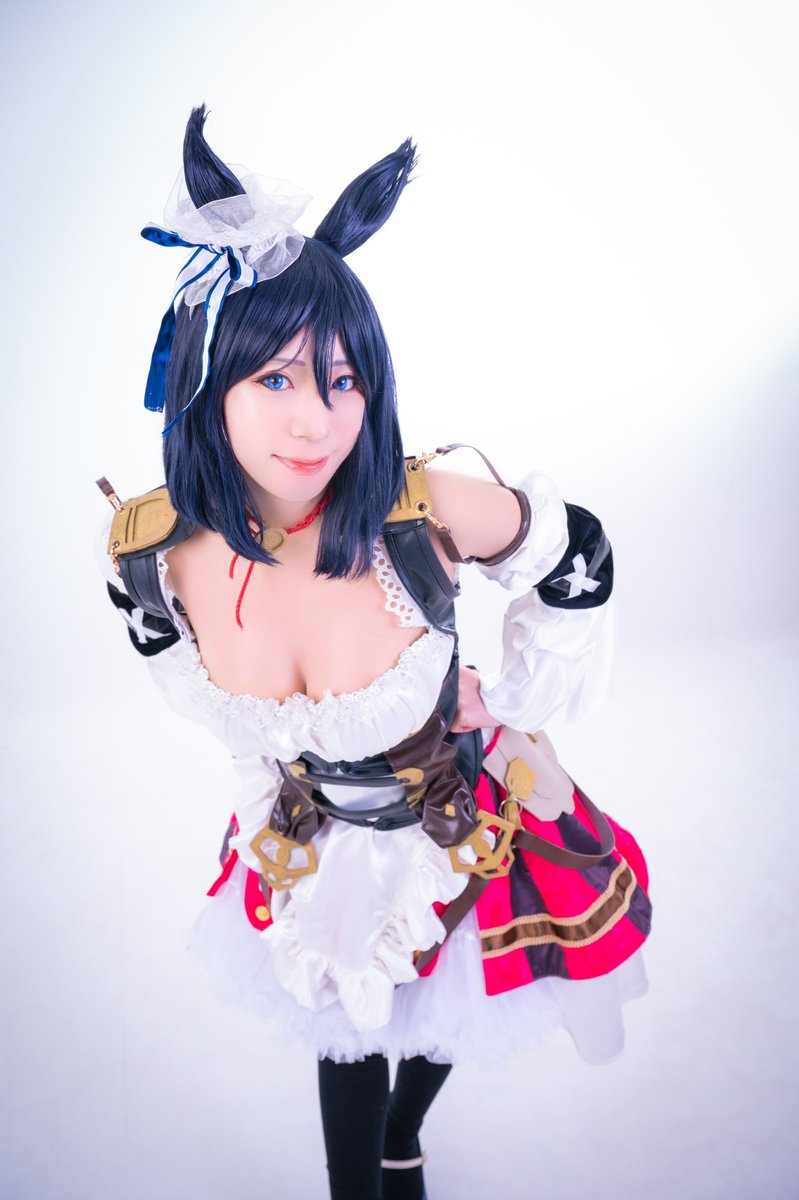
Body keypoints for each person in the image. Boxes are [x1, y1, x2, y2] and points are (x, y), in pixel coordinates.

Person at [97, 105, 652, 1200]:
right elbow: (206, 697)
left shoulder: (421, 509)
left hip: (460, 822)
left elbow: (576, 553)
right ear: (207, 375)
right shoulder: (150, 557)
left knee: (449, 1001)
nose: (316, 421)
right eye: (276, 379)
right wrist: (269, 795)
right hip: (313, 837)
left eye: (342, 381)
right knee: (342, 1021)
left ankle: (406, 1134)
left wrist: (515, 696)